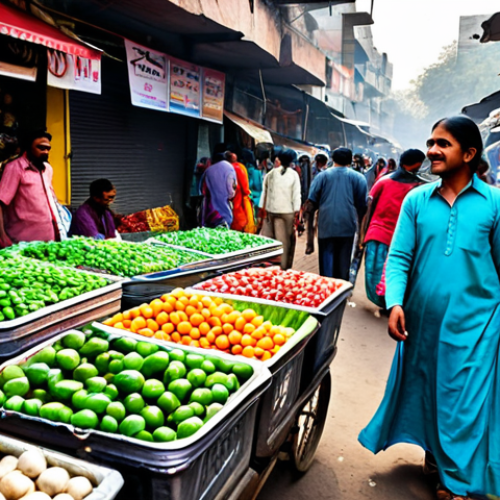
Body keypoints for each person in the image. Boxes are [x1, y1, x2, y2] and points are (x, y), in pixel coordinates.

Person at [359, 116, 500, 500]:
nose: (432, 150)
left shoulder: (494, 203)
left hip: (478, 324)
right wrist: (395, 303)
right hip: (424, 322)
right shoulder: (417, 200)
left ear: (469, 154)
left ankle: (454, 482)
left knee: (463, 399)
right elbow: (400, 256)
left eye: (443, 144)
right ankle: (437, 457)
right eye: (430, 142)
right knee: (430, 392)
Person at [361, 149, 426, 308]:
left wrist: (364, 233)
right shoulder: (419, 188)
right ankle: (389, 302)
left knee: (374, 272)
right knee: (390, 273)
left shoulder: (384, 181)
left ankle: (384, 301)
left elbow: (368, 209)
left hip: (381, 235)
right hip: (396, 238)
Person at [304, 147, 368, 280]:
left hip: (326, 225)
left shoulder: (321, 176)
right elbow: (362, 207)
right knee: (343, 266)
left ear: (332, 159)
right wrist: (362, 234)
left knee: (327, 266)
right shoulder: (359, 178)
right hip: (347, 227)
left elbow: (310, 205)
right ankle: (340, 297)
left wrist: (309, 238)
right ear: (350, 161)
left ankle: (327, 295)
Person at [0, 130, 63, 246]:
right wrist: (2, 235)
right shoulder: (15, 168)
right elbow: (1, 202)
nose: (45, 152)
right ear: (28, 147)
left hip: (49, 240)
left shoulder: (47, 169)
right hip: (22, 241)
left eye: (48, 149)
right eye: (41, 148)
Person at [259, 149, 301, 269]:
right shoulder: (294, 175)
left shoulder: (270, 174)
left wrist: (262, 210)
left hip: (271, 211)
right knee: (286, 242)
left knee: (271, 240)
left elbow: (264, 193)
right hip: (287, 212)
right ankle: (284, 267)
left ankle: (270, 266)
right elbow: (296, 195)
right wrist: (297, 212)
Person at [199, 145, 237, 228]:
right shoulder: (229, 168)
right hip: (224, 212)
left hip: (209, 212)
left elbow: (202, 190)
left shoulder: (208, 170)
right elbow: (231, 191)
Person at [225, 151, 253, 232]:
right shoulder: (239, 167)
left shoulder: (225, 167)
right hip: (238, 198)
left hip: (228, 197)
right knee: (238, 219)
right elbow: (245, 188)